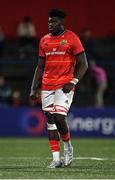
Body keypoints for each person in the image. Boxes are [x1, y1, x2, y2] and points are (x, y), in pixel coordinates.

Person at [30, 9, 88, 168]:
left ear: (62, 23)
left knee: (59, 117)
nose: (50, 24)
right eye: (49, 21)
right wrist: (34, 88)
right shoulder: (44, 40)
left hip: (64, 85)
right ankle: (56, 159)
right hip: (47, 85)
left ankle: (68, 147)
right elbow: (40, 66)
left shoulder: (72, 38)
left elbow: (84, 64)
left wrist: (74, 81)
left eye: (54, 22)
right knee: (50, 121)